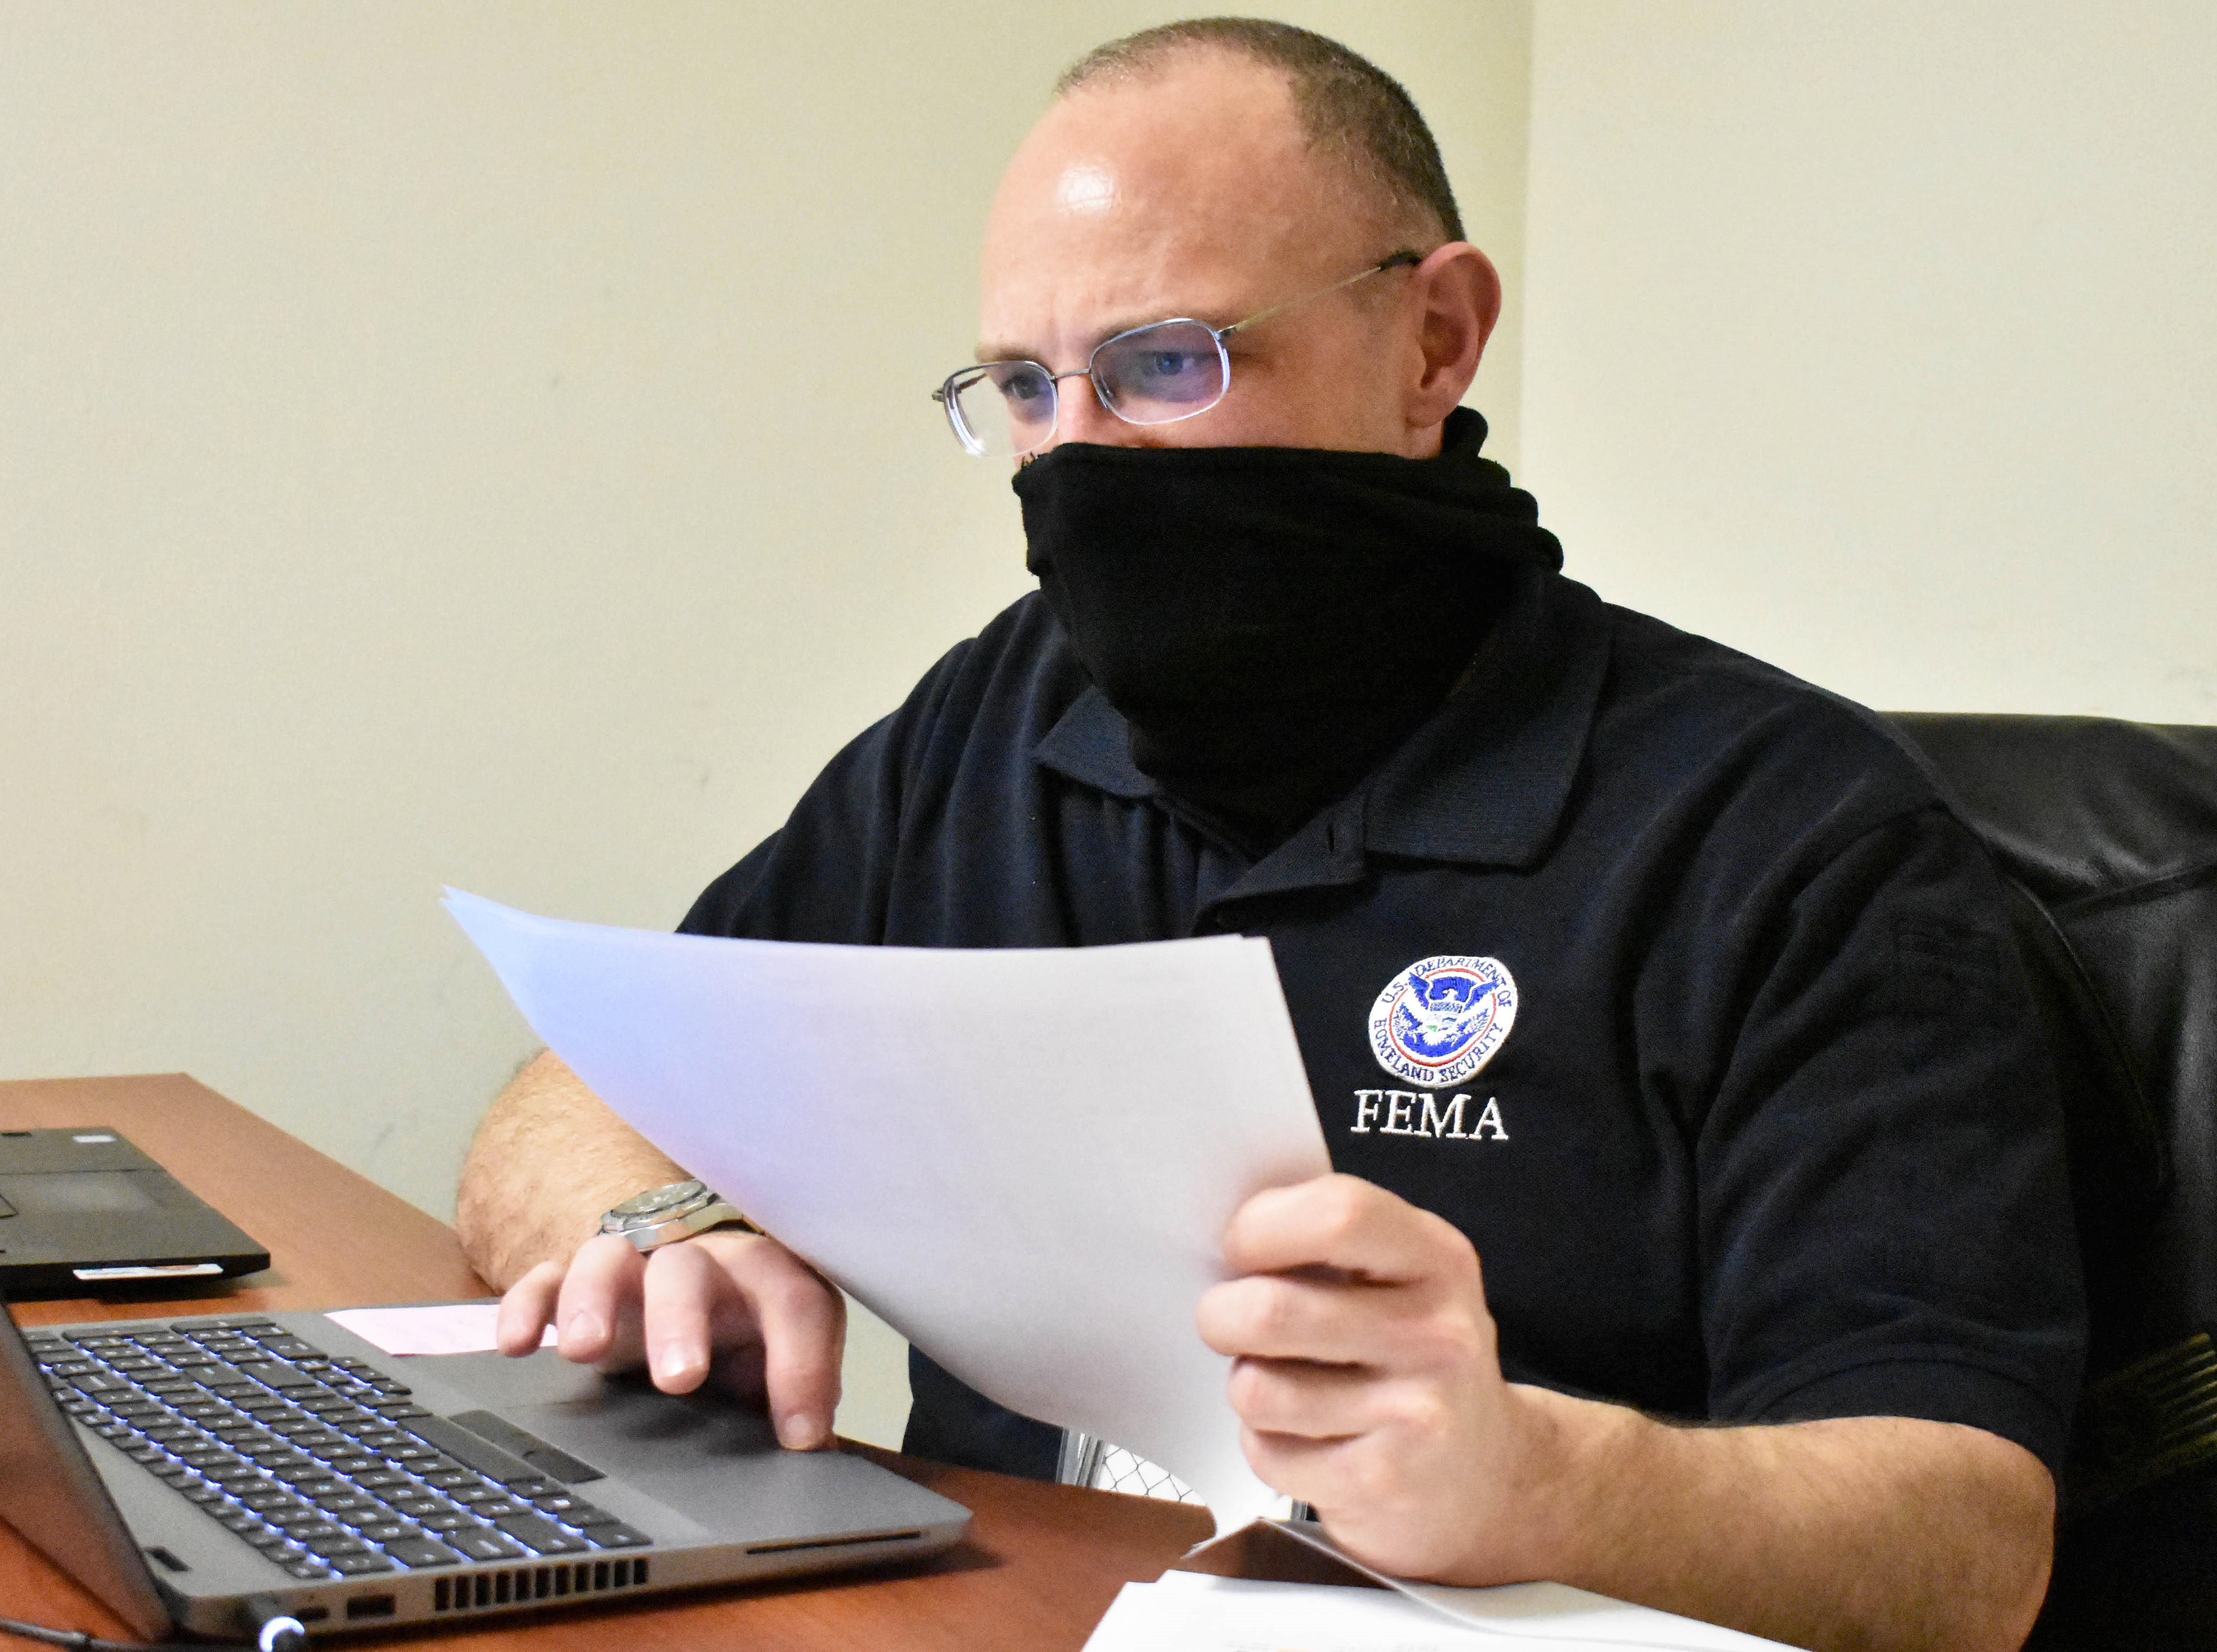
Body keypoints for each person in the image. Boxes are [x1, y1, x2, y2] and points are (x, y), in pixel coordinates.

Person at [455, 20, 2083, 1652]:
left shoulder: (1787, 838)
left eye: (1169, 363)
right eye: (1027, 387)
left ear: (1434, 342)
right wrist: (662, 1233)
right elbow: (579, 1082)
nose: (1077, 461)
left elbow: (1971, 1552)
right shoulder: (1006, 721)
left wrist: (1537, 1481)